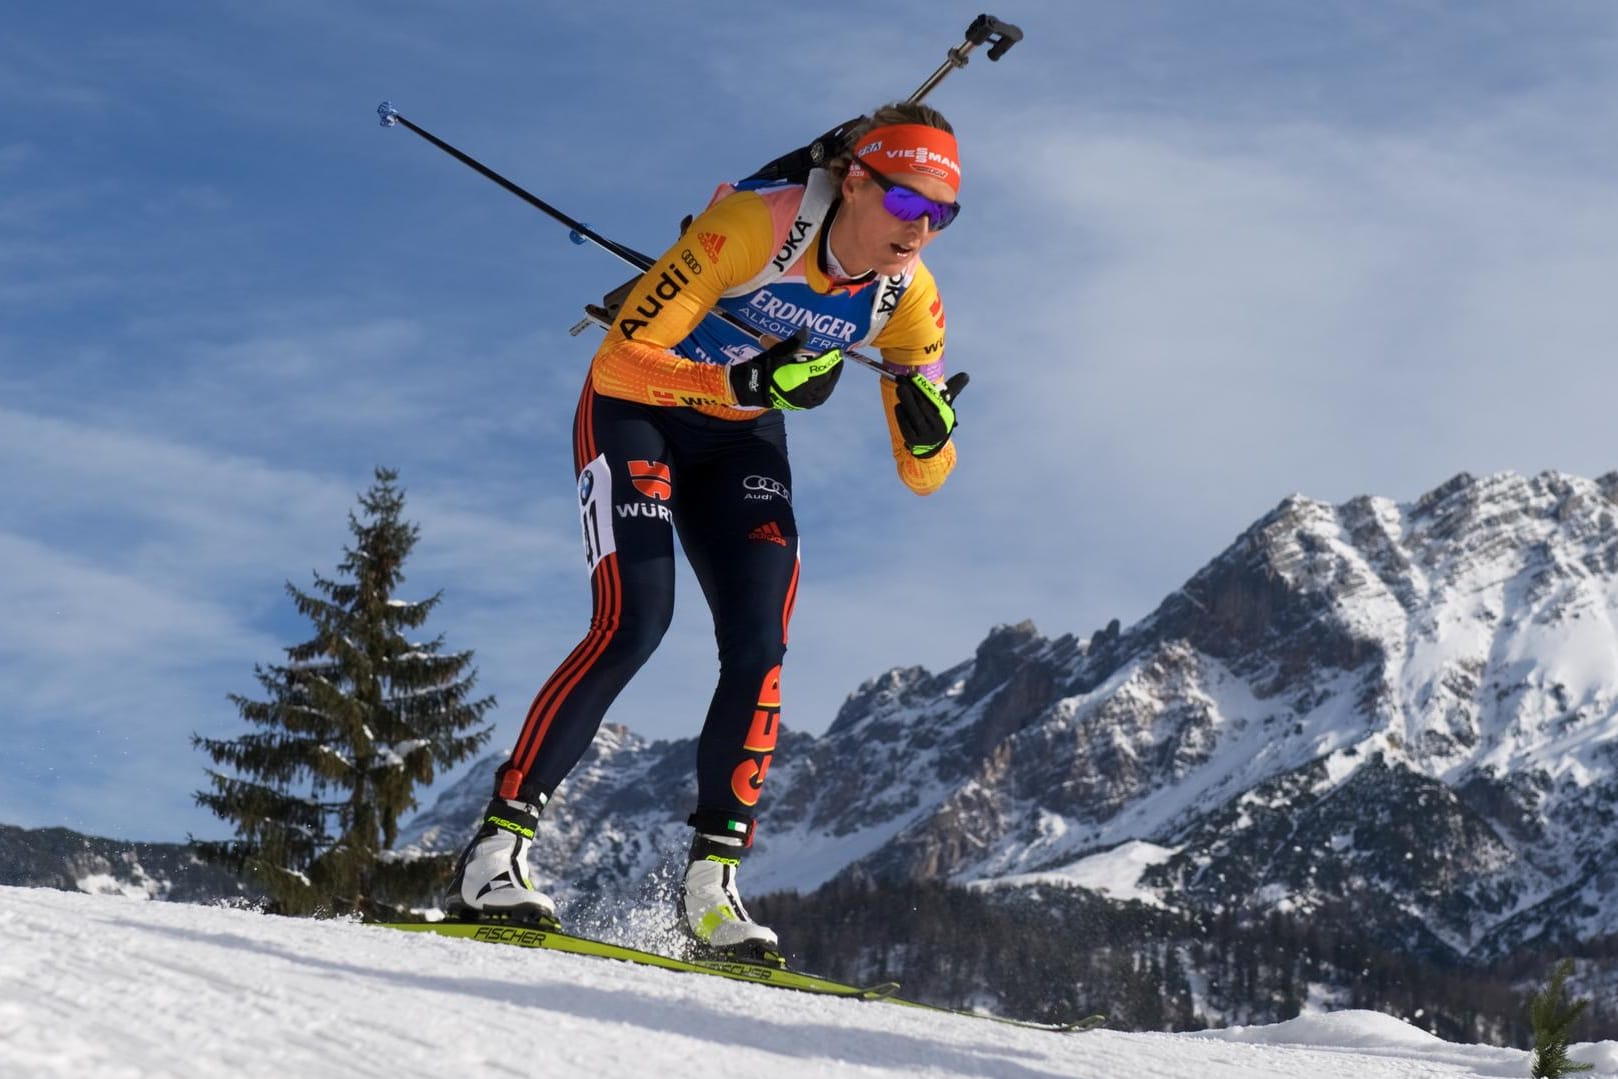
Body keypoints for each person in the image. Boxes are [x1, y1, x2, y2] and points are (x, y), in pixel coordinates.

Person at [446, 102, 970, 962]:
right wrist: (743, 380)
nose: (922, 232)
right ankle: (496, 849)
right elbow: (618, 358)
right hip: (638, 412)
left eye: (943, 215)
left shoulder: (906, 298)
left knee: (760, 644)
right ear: (859, 181)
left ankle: (711, 887)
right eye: (910, 205)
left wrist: (930, 430)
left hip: (743, 438)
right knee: (635, 619)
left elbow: (924, 476)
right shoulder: (752, 226)